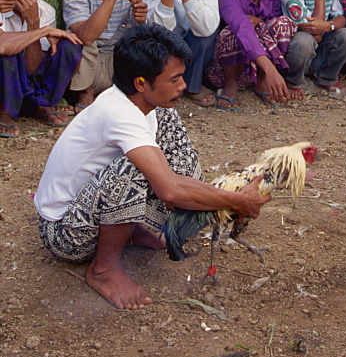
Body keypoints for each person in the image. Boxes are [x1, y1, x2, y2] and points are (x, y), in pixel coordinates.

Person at [34, 23, 270, 309]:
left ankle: (130, 229)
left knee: (166, 126)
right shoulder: (118, 113)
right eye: (175, 79)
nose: (183, 85)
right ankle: (103, 269)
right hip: (66, 233)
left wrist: (223, 199)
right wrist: (235, 200)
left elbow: (175, 177)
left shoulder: (143, 105)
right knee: (133, 169)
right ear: (141, 83)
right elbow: (169, 189)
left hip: (90, 208)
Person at [62, 0, 147, 109]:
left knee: (148, 39)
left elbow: (140, 30)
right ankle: (86, 93)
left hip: (117, 62)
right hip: (87, 67)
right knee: (72, 38)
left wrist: (141, 19)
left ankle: (112, 91)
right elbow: (86, 36)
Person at [0, 0, 82, 135]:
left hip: (29, 77)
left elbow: (33, 69)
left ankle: (40, 104)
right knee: (9, 53)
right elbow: (4, 46)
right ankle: (4, 110)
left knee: (70, 46)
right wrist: (40, 31)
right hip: (5, 80)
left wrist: (33, 22)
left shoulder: (44, 10)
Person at [206, 0, 295, 107]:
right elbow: (241, 28)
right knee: (230, 33)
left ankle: (261, 80)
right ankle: (231, 83)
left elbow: (272, 30)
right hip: (231, 65)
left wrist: (260, 22)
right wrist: (271, 69)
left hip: (261, 62)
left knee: (282, 24)